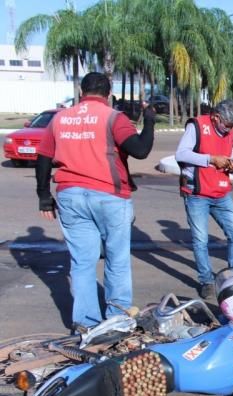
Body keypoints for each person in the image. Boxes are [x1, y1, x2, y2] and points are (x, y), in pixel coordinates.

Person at [35, 72, 156, 331]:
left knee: (82, 262)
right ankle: (116, 320)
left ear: (81, 91)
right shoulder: (113, 117)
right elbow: (140, 150)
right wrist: (149, 121)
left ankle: (86, 322)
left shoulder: (60, 118)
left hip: (70, 196)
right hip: (109, 196)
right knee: (117, 259)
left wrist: (44, 197)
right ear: (109, 93)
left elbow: (43, 157)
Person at [175, 99, 233, 299]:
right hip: (197, 193)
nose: (229, 129)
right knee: (200, 240)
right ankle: (206, 280)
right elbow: (181, 154)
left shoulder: (231, 131)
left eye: (232, 126)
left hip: (221, 191)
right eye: (227, 125)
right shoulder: (196, 126)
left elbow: (227, 155)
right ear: (215, 117)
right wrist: (211, 159)